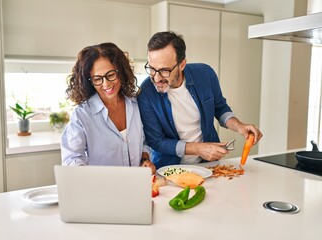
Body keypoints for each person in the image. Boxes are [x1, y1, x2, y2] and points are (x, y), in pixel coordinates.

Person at [137, 31, 263, 169]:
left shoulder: (205, 74)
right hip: (169, 168)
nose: (156, 78)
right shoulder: (146, 93)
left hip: (209, 166)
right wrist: (198, 149)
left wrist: (240, 126)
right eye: (152, 69)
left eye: (164, 70)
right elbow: (157, 141)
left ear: (182, 64)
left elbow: (220, 108)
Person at [61, 42, 156, 174]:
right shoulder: (82, 115)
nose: (106, 84)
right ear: (89, 80)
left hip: (136, 186)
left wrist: (144, 160)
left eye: (110, 75)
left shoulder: (135, 105)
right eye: (97, 79)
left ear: (121, 72)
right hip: (102, 190)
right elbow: (72, 159)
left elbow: (144, 141)